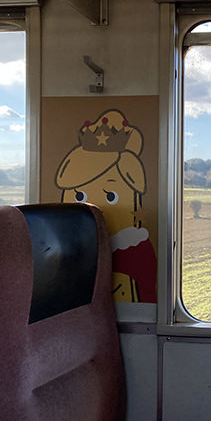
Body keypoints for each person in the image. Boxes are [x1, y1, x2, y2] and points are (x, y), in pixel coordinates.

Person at [55, 109, 156, 303]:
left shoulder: (136, 250)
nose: (92, 206)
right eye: (78, 195)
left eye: (111, 195)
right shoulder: (60, 249)